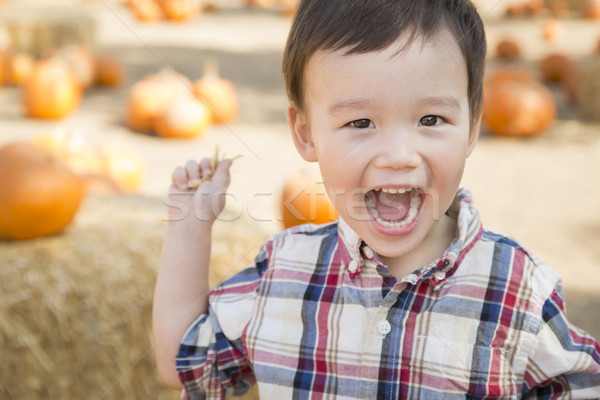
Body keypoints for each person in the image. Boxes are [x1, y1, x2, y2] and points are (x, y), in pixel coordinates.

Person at [153, 0, 600, 398]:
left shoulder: (519, 289)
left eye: (430, 118)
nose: (398, 156)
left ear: (472, 124)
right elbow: (184, 362)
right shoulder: (281, 271)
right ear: (306, 134)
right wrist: (190, 227)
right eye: (361, 123)